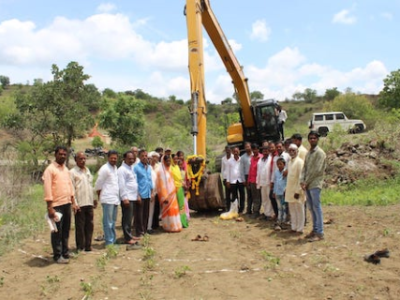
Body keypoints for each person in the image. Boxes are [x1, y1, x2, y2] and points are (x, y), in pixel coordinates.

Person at [43, 146, 78, 264]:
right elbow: (47, 189)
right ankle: (57, 255)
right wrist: (50, 207)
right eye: (60, 154)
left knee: (66, 230)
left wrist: (73, 202)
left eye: (64, 154)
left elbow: (70, 186)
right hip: (56, 205)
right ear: (55, 154)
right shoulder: (50, 170)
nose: (63, 156)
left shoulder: (66, 169)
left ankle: (65, 252)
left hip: (66, 203)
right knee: (57, 231)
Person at [301, 131, 327, 242]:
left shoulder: (320, 153)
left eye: (314, 138)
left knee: (317, 208)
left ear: (317, 139)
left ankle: (320, 233)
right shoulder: (308, 153)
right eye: (310, 138)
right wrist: (302, 181)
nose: (312, 140)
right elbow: (304, 168)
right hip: (307, 184)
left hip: (315, 183)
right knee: (311, 208)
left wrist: (306, 182)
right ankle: (315, 229)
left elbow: (317, 171)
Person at [70, 151, 96, 252]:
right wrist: (74, 203)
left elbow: (90, 186)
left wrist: (94, 199)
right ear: (76, 160)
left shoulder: (87, 170)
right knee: (80, 227)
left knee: (89, 225)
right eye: (80, 159)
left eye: (84, 158)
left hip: (89, 202)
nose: (83, 160)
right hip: (79, 203)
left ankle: (88, 246)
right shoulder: (72, 172)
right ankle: (80, 246)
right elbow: (72, 189)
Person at [95, 150, 119, 246]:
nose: (113, 160)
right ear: (108, 158)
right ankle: (109, 242)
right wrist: (100, 196)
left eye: (115, 158)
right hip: (107, 198)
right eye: (112, 158)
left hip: (115, 199)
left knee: (113, 222)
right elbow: (98, 185)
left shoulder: (115, 168)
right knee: (108, 222)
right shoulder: (104, 169)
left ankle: (112, 240)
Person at [117, 151, 140, 244]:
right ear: (124, 159)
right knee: (127, 218)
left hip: (133, 196)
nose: (131, 160)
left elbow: (134, 183)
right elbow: (121, 185)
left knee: (130, 218)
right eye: (129, 158)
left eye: (133, 159)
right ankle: (127, 238)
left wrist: (137, 195)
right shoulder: (121, 170)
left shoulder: (131, 168)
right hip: (127, 198)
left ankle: (129, 235)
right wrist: (124, 197)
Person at [155, 155, 182, 232]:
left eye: (170, 161)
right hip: (166, 196)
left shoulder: (169, 170)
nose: (169, 162)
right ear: (163, 161)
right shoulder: (161, 172)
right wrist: (164, 197)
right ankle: (168, 227)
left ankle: (176, 225)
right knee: (168, 211)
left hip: (172, 195)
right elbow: (161, 185)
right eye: (167, 161)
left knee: (174, 210)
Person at [286, 144, 305, 234]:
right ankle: (294, 227)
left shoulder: (300, 162)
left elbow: (301, 178)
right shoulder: (290, 162)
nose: (292, 152)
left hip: (297, 191)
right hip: (290, 190)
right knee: (292, 210)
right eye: (290, 150)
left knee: (299, 210)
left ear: (297, 151)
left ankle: (300, 228)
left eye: (293, 150)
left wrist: (298, 191)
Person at [134, 149, 153, 236]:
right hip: (140, 194)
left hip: (148, 194)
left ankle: (144, 231)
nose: (145, 157)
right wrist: (137, 195)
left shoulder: (149, 167)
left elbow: (150, 181)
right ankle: (139, 232)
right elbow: (134, 182)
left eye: (146, 156)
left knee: (146, 214)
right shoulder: (136, 168)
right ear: (139, 157)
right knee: (139, 215)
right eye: (142, 156)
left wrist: (152, 192)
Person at [256, 144, 274, 220]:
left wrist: (272, 182)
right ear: (262, 152)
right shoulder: (260, 160)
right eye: (264, 151)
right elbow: (258, 172)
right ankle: (266, 213)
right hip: (262, 183)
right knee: (264, 199)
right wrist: (258, 182)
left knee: (269, 198)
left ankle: (270, 214)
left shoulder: (271, 159)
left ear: (268, 151)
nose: (265, 152)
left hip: (268, 182)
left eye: (266, 151)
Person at [171, 154, 189, 227]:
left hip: (180, 188)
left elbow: (180, 178)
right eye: (174, 159)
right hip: (174, 188)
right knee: (175, 206)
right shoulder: (170, 168)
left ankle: (183, 222)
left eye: (176, 159)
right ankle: (176, 222)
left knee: (182, 206)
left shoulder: (177, 167)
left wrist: (183, 183)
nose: (176, 160)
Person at [248, 143, 263, 219]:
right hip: (253, 181)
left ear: (258, 149)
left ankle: (257, 211)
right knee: (255, 197)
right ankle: (256, 211)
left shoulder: (261, 157)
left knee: (260, 196)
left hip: (259, 180)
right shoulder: (252, 158)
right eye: (253, 149)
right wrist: (249, 181)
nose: (255, 151)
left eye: (256, 149)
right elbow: (250, 170)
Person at [272, 158, 287, 231]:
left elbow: (287, 182)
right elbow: (275, 182)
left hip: (283, 193)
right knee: (279, 207)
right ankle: (279, 220)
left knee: (284, 207)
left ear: (284, 164)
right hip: (277, 192)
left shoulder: (286, 172)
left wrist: (286, 190)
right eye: (278, 164)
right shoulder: (276, 172)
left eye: (281, 164)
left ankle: (283, 221)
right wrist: (274, 192)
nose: (279, 165)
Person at [147, 151, 160, 234]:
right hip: (148, 192)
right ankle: (147, 226)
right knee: (147, 210)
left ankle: (153, 225)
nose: (154, 158)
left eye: (156, 157)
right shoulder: (147, 168)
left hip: (157, 191)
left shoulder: (159, 167)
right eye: (152, 157)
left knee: (155, 209)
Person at [240, 142, 253, 214]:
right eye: (246, 147)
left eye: (249, 146)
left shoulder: (254, 155)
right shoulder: (243, 157)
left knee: (255, 194)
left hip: (254, 175)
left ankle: (256, 210)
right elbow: (241, 169)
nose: (247, 148)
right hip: (247, 176)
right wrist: (243, 179)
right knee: (249, 194)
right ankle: (249, 209)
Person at [221, 146, 233, 211]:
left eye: (229, 150)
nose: (228, 151)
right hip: (226, 178)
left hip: (232, 177)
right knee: (227, 194)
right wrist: (223, 178)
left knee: (234, 194)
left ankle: (234, 207)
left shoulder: (233, 157)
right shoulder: (223, 159)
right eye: (226, 150)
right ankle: (228, 208)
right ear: (225, 151)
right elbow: (222, 169)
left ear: (231, 150)